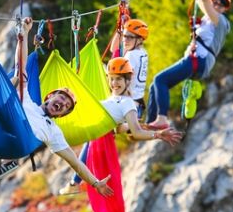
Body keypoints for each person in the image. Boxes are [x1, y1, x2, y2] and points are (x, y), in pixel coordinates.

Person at [0, 17, 114, 197]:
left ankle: (7, 159)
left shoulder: (54, 132)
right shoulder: (27, 100)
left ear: (61, 115)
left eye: (66, 106)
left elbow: (76, 163)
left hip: (21, 139)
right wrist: (24, 34)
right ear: (50, 96)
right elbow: (20, 65)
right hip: (2, 123)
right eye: (61, 97)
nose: (62, 103)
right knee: (16, 79)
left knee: (14, 86)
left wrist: (95, 182)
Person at [59, 57, 182, 195]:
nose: (114, 83)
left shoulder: (127, 103)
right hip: (84, 127)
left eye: (118, 79)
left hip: (87, 134)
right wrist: (129, 126)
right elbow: (117, 129)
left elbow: (136, 133)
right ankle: (74, 183)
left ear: (127, 81)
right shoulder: (112, 98)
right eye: (111, 79)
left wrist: (158, 135)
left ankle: (74, 183)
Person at [146, 0, 231, 129]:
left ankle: (162, 118)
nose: (217, 5)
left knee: (159, 79)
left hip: (199, 61)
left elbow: (205, 0)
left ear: (225, 9)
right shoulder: (208, 18)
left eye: (222, 4)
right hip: (196, 60)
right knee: (156, 85)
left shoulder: (220, 21)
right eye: (216, 1)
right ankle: (149, 123)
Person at [110, 18, 149, 116]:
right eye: (124, 36)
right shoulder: (143, 53)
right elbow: (114, 50)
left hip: (129, 103)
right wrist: (121, 28)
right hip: (138, 101)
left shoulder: (131, 55)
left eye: (130, 37)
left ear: (140, 39)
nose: (125, 40)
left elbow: (122, 80)